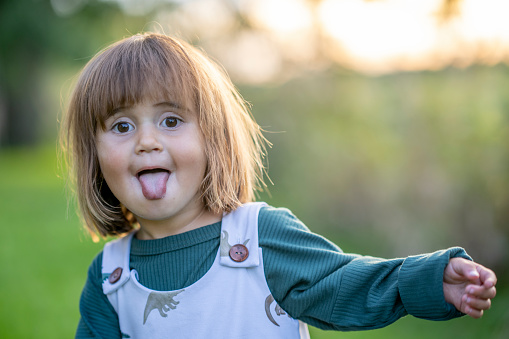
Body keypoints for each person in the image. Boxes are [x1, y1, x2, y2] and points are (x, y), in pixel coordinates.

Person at [62, 32, 497, 339]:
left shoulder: (256, 239)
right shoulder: (109, 278)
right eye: (121, 126)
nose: (147, 142)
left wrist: (425, 281)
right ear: (95, 156)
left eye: (171, 120)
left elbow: (346, 283)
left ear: (213, 138)